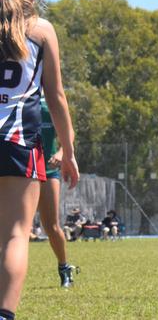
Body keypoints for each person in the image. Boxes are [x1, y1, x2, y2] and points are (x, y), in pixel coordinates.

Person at [0, 0, 79, 318]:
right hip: (18, 140)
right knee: (16, 234)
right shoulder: (41, 30)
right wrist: (70, 151)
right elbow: (57, 96)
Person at [37, 97, 77, 287]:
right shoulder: (15, 98)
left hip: (48, 170)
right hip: (20, 169)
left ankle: (64, 267)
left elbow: (68, 132)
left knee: (51, 226)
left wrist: (61, 154)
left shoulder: (48, 103)